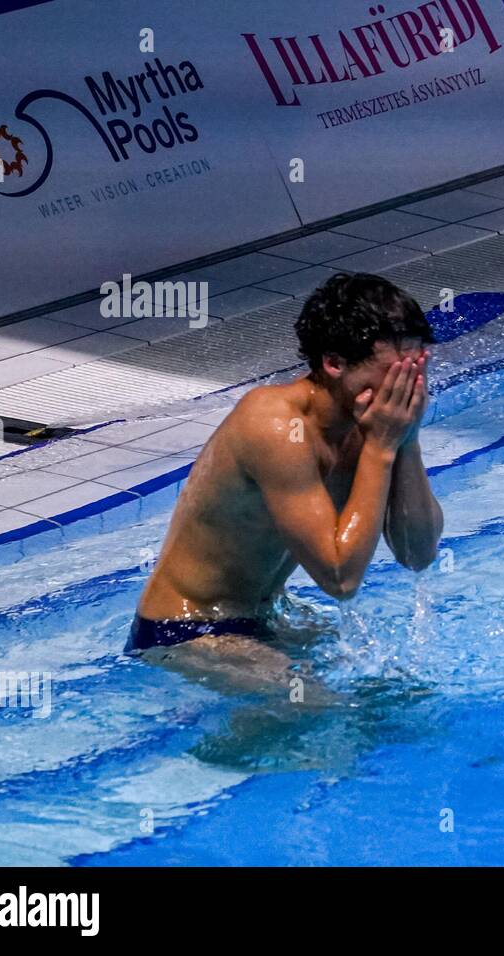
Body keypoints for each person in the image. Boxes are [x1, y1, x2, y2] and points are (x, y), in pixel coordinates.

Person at [127, 272, 444, 685]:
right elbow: (339, 579)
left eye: (414, 373)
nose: (404, 390)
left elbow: (416, 553)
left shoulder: (370, 423)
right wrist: (382, 448)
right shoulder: (275, 425)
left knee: (398, 694)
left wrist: (408, 438)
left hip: (266, 617)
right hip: (186, 631)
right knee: (320, 710)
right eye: (393, 375)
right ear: (334, 364)